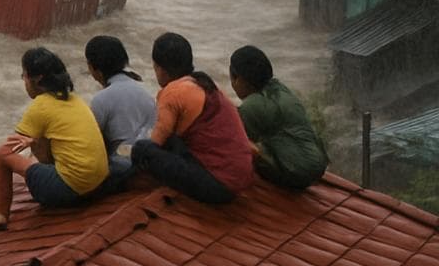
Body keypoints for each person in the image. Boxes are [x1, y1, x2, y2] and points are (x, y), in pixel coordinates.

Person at [0, 47, 112, 234]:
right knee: (38, 139)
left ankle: (0, 214)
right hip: (96, 186)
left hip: (67, 190)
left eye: (24, 76)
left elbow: (8, 150)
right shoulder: (74, 100)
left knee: (1, 155)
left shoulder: (41, 106)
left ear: (37, 79)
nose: (24, 81)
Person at [131, 33, 256, 204]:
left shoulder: (172, 92)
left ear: (160, 69)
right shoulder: (203, 83)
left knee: (142, 149)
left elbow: (156, 141)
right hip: (239, 177)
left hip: (218, 186)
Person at [229, 45, 329, 189]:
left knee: (238, 141)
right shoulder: (281, 89)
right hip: (319, 166)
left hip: (297, 176)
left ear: (237, 79)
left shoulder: (250, 107)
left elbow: (236, 145)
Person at [84, 35, 157, 185]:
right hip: (151, 166)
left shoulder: (101, 99)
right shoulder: (145, 93)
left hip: (121, 170)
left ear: (93, 68)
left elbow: (91, 143)